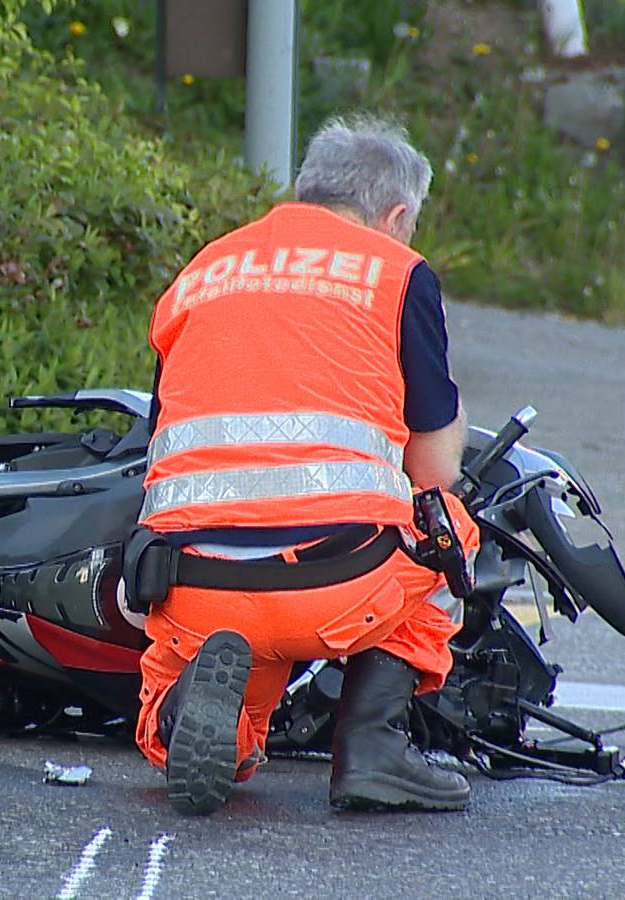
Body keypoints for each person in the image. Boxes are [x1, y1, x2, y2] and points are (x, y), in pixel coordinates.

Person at [132, 114, 479, 816]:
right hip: (332, 582)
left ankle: (191, 722)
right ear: (397, 215)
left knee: (231, 672)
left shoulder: (205, 266)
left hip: (191, 581)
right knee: (452, 532)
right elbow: (435, 470)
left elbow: (161, 426)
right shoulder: (397, 273)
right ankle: (372, 747)